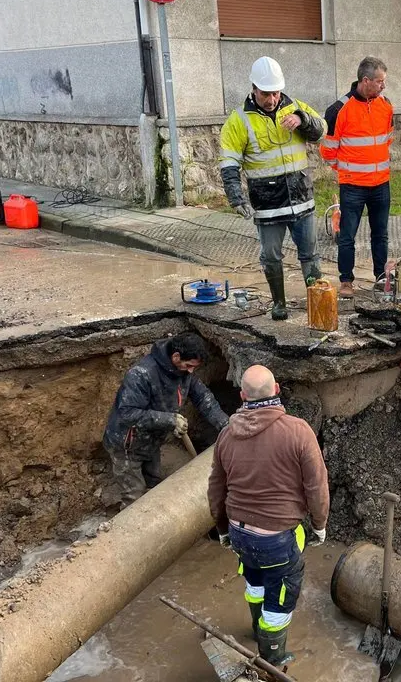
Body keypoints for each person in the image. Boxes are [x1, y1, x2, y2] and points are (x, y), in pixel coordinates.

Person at [208, 365, 329, 666]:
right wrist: (319, 524)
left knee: (255, 579)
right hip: (275, 539)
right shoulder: (298, 430)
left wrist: (223, 529)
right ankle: (272, 658)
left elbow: (216, 488)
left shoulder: (226, 435)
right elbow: (316, 484)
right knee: (281, 596)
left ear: (242, 396)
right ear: (276, 390)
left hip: (239, 533)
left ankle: (255, 630)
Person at [219, 57, 327, 321]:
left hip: (301, 198)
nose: (272, 99)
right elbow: (229, 162)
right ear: (254, 89)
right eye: (266, 93)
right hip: (268, 203)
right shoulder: (239, 120)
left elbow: (322, 131)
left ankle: (318, 306)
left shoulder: (295, 107)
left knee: (310, 254)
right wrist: (236, 197)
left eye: (276, 92)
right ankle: (279, 303)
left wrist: (303, 120)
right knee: (270, 256)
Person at [103, 333, 229, 509]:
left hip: (152, 441)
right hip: (127, 444)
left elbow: (203, 399)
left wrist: (226, 426)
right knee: (134, 497)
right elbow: (128, 413)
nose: (191, 370)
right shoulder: (141, 374)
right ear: (176, 356)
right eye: (189, 365)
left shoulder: (183, 372)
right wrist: (169, 419)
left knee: (154, 485)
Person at [321, 57, 394, 298]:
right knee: (347, 236)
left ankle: (381, 278)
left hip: (381, 184)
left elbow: (387, 139)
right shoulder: (339, 109)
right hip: (352, 186)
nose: (383, 86)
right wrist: (347, 171)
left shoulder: (386, 105)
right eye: (380, 81)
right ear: (365, 80)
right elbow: (328, 150)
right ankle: (346, 281)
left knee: (380, 234)